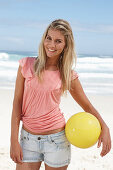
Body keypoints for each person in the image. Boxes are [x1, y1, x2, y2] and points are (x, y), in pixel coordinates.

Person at [10, 19, 111, 170]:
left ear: (65, 45)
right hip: (28, 139)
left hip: (56, 141)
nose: (51, 45)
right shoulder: (27, 65)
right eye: (49, 38)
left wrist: (105, 127)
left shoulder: (68, 75)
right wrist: (13, 140)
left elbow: (87, 106)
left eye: (58, 41)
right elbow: (17, 102)